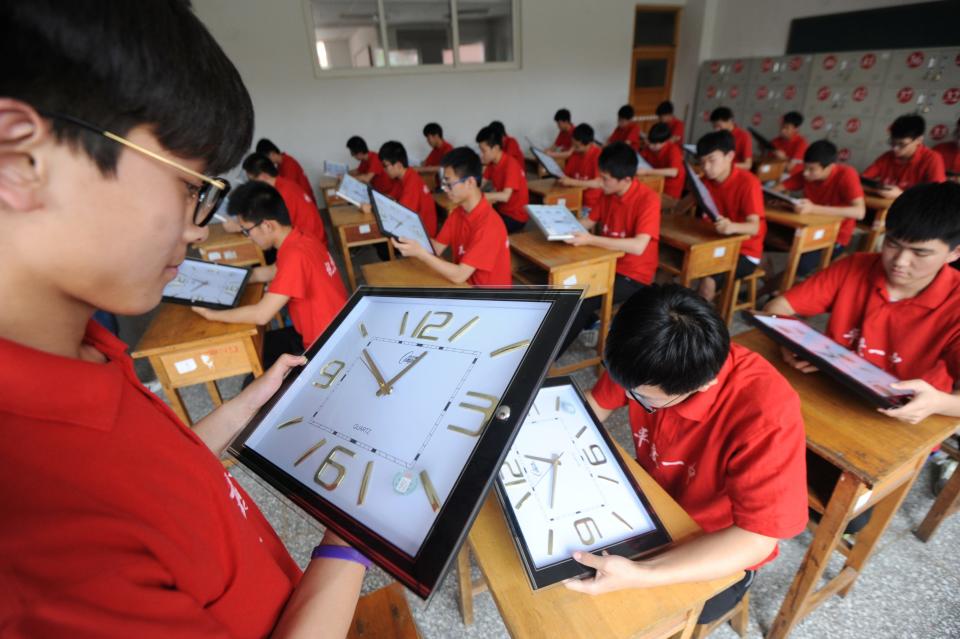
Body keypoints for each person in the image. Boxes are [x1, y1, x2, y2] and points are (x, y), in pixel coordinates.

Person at [0, 2, 364, 635]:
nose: (196, 229)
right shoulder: (38, 536)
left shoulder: (84, 355)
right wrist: (357, 534)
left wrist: (247, 406)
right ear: (19, 157)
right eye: (190, 183)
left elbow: (160, 481)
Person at [567, 285, 807, 628]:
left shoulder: (767, 415)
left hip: (713, 544)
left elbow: (756, 539)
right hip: (651, 507)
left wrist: (643, 574)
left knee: (622, 618)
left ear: (705, 384)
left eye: (645, 399)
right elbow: (597, 404)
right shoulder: (646, 355)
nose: (630, 398)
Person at [764, 182, 960, 532]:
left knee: (836, 508)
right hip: (828, 399)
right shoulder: (856, 266)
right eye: (893, 244)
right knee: (748, 448)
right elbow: (778, 307)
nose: (900, 261)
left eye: (920, 253)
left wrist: (940, 402)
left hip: (891, 430)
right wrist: (790, 343)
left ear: (954, 252)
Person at [193, 181, 348, 369]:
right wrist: (226, 279)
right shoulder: (299, 238)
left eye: (246, 230)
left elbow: (261, 314)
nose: (248, 236)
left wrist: (212, 314)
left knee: (255, 371)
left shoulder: (294, 256)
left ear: (266, 225)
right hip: (335, 329)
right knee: (259, 349)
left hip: (325, 347)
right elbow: (271, 271)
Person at [559, 142, 660, 353]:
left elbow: (638, 246)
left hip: (632, 275)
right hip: (605, 262)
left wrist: (590, 240)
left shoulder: (648, 200)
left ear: (626, 180)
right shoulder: (609, 194)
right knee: (562, 282)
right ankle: (592, 321)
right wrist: (559, 226)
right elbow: (586, 223)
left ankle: (548, 359)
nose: (600, 182)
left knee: (580, 299)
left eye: (605, 179)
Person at [392, 147, 511, 286]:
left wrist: (421, 254)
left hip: (489, 301)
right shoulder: (458, 213)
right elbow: (436, 248)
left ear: (470, 182)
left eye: (449, 184)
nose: (446, 190)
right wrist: (408, 237)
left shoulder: (490, 225)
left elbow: (459, 275)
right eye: (444, 184)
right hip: (465, 286)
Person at [775, 140, 865, 279]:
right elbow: (780, 188)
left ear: (829, 167)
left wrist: (813, 209)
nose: (805, 173)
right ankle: (774, 288)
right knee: (772, 241)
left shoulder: (846, 174)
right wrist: (774, 197)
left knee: (800, 266)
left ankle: (774, 292)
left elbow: (859, 212)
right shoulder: (807, 175)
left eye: (811, 169)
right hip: (807, 229)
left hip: (834, 236)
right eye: (805, 167)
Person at [695, 131, 766, 303]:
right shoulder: (706, 180)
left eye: (712, 160)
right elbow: (680, 207)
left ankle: (699, 326)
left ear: (730, 156)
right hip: (714, 242)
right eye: (702, 162)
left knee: (707, 283)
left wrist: (732, 226)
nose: (706, 167)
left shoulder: (748, 183)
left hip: (745, 251)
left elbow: (754, 227)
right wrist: (694, 186)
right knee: (671, 264)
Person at [242, 152, 326, 246]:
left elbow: (271, 225)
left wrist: (240, 226)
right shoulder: (283, 183)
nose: (251, 184)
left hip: (312, 243)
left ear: (263, 176)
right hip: (312, 237)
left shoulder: (282, 193)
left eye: (251, 180)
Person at [862, 114, 946, 200]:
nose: (895, 149)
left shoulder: (932, 159)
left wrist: (901, 195)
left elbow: (936, 197)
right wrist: (877, 190)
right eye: (892, 143)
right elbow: (862, 181)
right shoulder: (887, 157)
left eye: (902, 144)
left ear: (919, 140)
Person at [477, 125, 530, 233]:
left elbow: (505, 196)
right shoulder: (492, 164)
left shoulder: (511, 164)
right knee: (477, 220)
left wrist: (480, 196)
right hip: (502, 210)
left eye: (484, 151)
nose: (481, 155)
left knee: (483, 229)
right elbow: (480, 185)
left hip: (515, 217)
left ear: (496, 148)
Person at [558, 124, 603, 216]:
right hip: (574, 197)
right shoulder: (575, 154)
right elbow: (567, 175)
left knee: (570, 221)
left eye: (577, 146)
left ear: (589, 144)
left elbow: (598, 183)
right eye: (573, 145)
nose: (574, 149)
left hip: (591, 203)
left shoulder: (598, 156)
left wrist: (572, 182)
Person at [256, 137, 316, 202]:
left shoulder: (289, 164)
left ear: (272, 153)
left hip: (304, 201)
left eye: (266, 159)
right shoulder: (280, 164)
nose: (266, 162)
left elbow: (288, 190)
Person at [638, 122, 685, 201]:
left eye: (655, 144)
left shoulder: (673, 150)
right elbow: (639, 158)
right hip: (654, 181)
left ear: (665, 141)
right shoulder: (649, 147)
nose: (651, 146)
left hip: (669, 189)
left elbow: (674, 172)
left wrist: (647, 172)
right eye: (650, 142)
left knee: (642, 199)